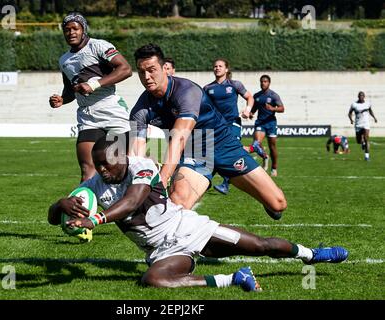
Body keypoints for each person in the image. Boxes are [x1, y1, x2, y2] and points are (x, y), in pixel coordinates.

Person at [48, 136, 349, 290]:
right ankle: (234, 278)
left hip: (188, 229)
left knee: (261, 246)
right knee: (152, 280)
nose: (102, 171)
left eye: (107, 164)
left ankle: (311, 254)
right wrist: (61, 205)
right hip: (161, 250)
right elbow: (54, 216)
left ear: (120, 156)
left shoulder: (140, 165)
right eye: (98, 165)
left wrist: (95, 219)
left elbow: (132, 199)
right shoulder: (97, 184)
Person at [129, 44, 286, 220]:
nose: (147, 77)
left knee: (278, 204)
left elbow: (179, 139)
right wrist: (134, 181)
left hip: (224, 145)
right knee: (177, 203)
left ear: (165, 68)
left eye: (152, 70)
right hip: (195, 153)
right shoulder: (140, 108)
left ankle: (262, 195)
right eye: (141, 72)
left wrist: (162, 180)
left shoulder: (186, 91)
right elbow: (135, 154)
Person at [49, 12, 132, 182]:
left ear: (83, 29)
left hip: (112, 110)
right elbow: (70, 89)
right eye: (67, 30)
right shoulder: (64, 60)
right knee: (88, 169)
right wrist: (62, 99)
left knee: (121, 167)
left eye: (75, 28)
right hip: (88, 117)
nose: (71, 32)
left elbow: (125, 69)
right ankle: (83, 208)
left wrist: (94, 84)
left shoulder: (99, 46)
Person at [204, 58, 268, 195]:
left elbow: (250, 97)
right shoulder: (208, 88)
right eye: (215, 66)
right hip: (217, 126)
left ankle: (224, 184)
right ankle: (253, 147)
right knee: (216, 151)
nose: (217, 68)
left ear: (226, 69)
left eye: (220, 66)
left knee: (230, 152)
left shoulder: (234, 84)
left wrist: (247, 110)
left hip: (233, 121)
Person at [250, 75, 285, 177]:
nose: (263, 83)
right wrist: (251, 113)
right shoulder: (257, 96)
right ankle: (265, 156)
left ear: (269, 83)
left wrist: (272, 109)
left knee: (272, 146)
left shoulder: (274, 95)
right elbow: (254, 109)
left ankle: (274, 168)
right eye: (261, 82)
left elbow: (282, 108)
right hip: (260, 123)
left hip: (271, 123)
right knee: (257, 143)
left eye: (265, 82)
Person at [348, 91, 378, 161]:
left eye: (362, 96)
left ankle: (367, 156)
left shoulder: (367, 104)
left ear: (364, 96)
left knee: (366, 138)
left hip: (366, 123)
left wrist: (374, 117)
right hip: (358, 124)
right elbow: (349, 113)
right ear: (358, 97)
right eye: (359, 96)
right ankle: (362, 143)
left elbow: (370, 111)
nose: (361, 97)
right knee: (358, 141)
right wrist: (351, 120)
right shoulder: (354, 104)